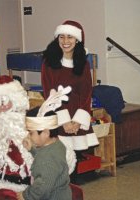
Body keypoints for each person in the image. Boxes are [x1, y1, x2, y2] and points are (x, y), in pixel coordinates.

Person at [42, 20, 99, 158]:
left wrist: (78, 121)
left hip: (76, 119)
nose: (65, 41)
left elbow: (86, 93)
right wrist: (65, 121)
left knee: (75, 159)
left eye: (70, 37)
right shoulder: (49, 63)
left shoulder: (83, 64)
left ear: (77, 40)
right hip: (57, 116)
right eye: (62, 37)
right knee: (60, 159)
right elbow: (49, 93)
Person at [16, 108, 72, 200]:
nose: (28, 136)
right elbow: (46, 159)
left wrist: (26, 195)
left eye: (31, 133)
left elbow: (42, 187)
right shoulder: (57, 144)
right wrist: (32, 149)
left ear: (46, 133)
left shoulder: (47, 159)